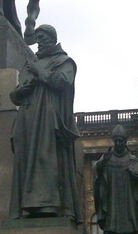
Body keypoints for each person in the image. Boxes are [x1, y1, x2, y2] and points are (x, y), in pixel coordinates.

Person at [9, 25, 83, 222]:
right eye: (37, 38)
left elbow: (62, 82)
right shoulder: (31, 63)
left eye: (42, 37)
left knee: (46, 159)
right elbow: (15, 95)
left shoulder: (64, 61)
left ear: (52, 38)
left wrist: (39, 72)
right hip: (27, 119)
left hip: (48, 120)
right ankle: (24, 207)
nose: (39, 41)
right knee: (25, 161)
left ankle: (48, 204)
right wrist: (21, 91)